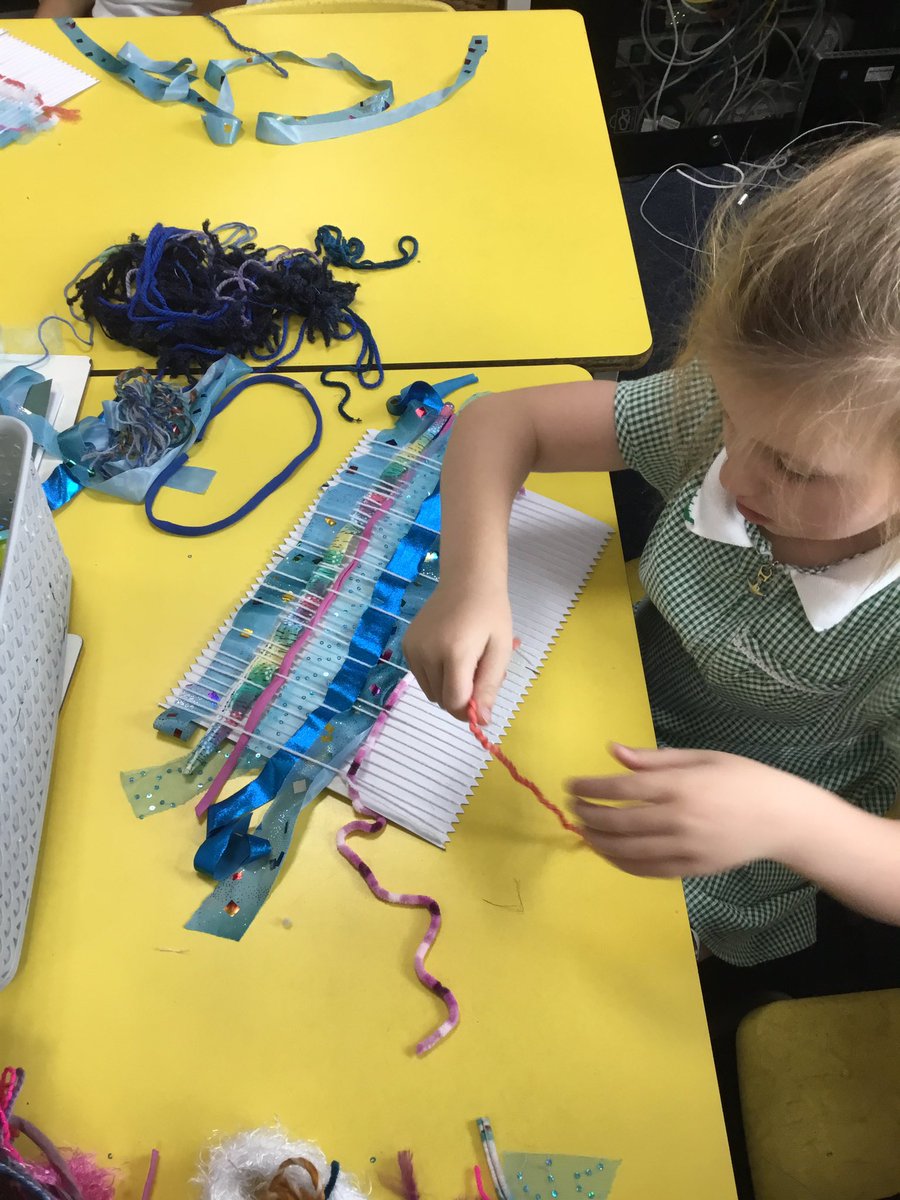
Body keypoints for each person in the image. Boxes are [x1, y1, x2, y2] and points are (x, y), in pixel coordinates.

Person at [403, 133, 900, 968]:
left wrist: (792, 820)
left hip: (735, 859)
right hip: (602, 707)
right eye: (733, 423)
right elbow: (501, 423)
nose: (734, 471)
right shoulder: (763, 408)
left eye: (792, 467)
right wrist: (471, 585)